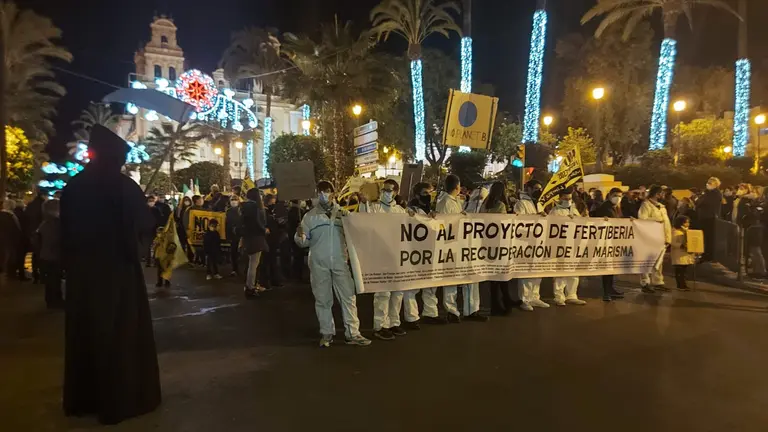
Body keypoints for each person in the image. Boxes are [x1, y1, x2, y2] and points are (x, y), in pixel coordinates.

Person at [60, 125, 160, 425]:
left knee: (86, 333)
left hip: (83, 277)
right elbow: (141, 229)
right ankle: (121, 399)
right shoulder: (126, 187)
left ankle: (85, 398)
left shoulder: (73, 188)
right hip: (118, 275)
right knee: (120, 335)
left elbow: (66, 233)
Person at [295, 181, 371, 347]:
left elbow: (363, 225)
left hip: (340, 262)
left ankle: (353, 333)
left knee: (348, 297)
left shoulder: (343, 214)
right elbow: (303, 243)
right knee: (322, 299)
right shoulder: (310, 216)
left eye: (328, 191)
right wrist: (299, 236)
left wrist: (365, 203)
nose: (324, 194)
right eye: (321, 191)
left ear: (334, 193)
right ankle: (326, 333)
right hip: (318, 263)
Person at [359, 179, 409, 340]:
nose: (386, 193)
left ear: (396, 192)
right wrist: (363, 203)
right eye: (384, 190)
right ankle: (380, 325)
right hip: (381, 256)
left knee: (398, 291)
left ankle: (394, 322)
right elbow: (363, 220)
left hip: (398, 256)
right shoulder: (374, 208)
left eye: (389, 190)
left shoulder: (401, 211)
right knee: (383, 293)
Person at [433, 175, 487, 323]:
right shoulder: (444, 202)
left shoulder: (457, 201)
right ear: (457, 186)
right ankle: (452, 311)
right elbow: (444, 224)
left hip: (464, 244)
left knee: (471, 277)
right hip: (451, 245)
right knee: (452, 278)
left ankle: (472, 310)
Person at [402, 182, 435, 329]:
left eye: (430, 193)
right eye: (425, 193)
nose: (428, 196)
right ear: (417, 195)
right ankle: (411, 317)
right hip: (414, 251)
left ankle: (430, 313)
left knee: (430, 285)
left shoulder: (431, 209)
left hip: (429, 251)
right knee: (412, 286)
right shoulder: (410, 210)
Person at [548, 189, 587, 306]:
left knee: (574, 270)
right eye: (565, 199)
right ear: (559, 198)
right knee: (560, 271)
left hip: (574, 244)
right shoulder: (555, 211)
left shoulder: (574, 210)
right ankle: (559, 296)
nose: (568, 201)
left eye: (570, 198)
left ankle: (572, 295)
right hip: (561, 244)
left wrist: (584, 218)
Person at [480, 181, 514, 315]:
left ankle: (495, 304)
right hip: (500, 243)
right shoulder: (500, 206)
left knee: (493, 277)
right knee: (502, 276)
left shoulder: (484, 205)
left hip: (487, 244)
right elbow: (503, 224)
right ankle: (506, 303)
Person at [514, 180, 548, 311]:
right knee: (526, 271)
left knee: (537, 269)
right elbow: (519, 220)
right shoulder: (521, 203)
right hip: (526, 241)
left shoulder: (539, 204)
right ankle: (525, 299)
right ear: (527, 189)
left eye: (540, 188)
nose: (538, 191)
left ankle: (535, 296)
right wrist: (535, 217)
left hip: (538, 240)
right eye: (535, 188)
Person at [592, 188, 626, 301]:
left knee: (611, 267)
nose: (618, 198)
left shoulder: (617, 208)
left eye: (620, 196)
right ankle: (606, 292)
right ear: (610, 195)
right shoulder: (604, 207)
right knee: (606, 267)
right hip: (606, 241)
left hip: (614, 241)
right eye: (616, 195)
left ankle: (610, 289)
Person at [639, 185, 672, 293]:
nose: (663, 195)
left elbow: (666, 223)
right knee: (646, 261)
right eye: (661, 193)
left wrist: (668, 237)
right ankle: (645, 282)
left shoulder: (662, 207)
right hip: (650, 237)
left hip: (661, 237)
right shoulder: (646, 205)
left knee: (659, 261)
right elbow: (642, 219)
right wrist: (656, 219)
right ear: (657, 194)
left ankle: (658, 281)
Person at [241, 188, 269, 297]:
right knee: (254, 264)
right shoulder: (255, 207)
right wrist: (264, 230)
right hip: (256, 238)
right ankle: (250, 287)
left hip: (248, 238)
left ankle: (251, 285)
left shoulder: (244, 206)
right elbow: (258, 222)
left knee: (251, 263)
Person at [37, 199, 63, 308]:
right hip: (53, 255)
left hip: (45, 255)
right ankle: (55, 301)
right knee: (54, 280)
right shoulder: (56, 223)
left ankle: (51, 300)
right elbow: (57, 239)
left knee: (51, 280)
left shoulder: (45, 222)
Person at [260, 194, 284, 289]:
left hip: (272, 241)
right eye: (273, 202)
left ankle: (274, 280)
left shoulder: (270, 212)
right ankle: (266, 281)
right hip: (267, 241)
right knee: (266, 262)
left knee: (272, 261)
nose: (274, 204)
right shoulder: (264, 213)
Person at [695, 177, 721, 262]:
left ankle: (709, 255)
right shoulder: (707, 193)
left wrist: (699, 201)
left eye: (710, 183)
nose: (708, 184)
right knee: (705, 237)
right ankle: (705, 254)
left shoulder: (715, 193)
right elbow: (698, 202)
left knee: (709, 238)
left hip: (710, 218)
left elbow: (703, 202)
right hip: (704, 217)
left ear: (715, 184)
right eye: (708, 182)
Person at [25, 190, 45, 283]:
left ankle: (35, 274)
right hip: (42, 232)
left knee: (35, 254)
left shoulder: (30, 205)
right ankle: (42, 274)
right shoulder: (43, 205)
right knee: (42, 254)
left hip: (32, 232)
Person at [671, 215, 695, 291]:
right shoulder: (675, 231)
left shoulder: (687, 231)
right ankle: (680, 285)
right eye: (686, 222)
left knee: (684, 271)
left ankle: (683, 284)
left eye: (688, 222)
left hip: (685, 254)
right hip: (679, 254)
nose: (688, 224)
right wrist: (681, 245)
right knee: (679, 271)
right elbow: (673, 242)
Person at [0, 199, 21, 282]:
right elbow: (14, 229)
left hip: (4, 240)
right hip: (8, 240)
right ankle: (9, 273)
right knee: (9, 257)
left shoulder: (3, 214)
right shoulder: (9, 216)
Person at [226, 195, 242, 276]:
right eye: (232, 200)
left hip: (241, 234)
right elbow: (227, 224)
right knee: (233, 253)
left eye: (235, 199)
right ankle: (234, 269)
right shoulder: (228, 211)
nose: (234, 201)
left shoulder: (242, 210)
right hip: (233, 235)